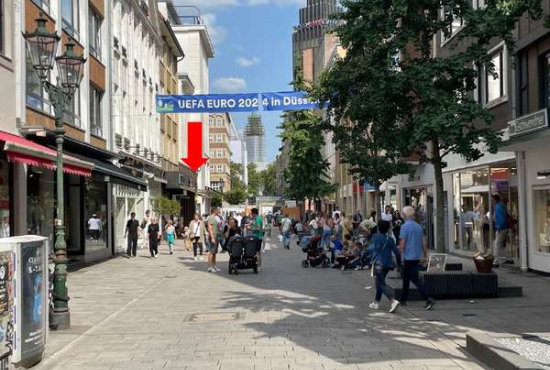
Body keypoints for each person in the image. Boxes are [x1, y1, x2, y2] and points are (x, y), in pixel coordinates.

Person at [399, 206, 436, 310]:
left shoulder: (405, 226)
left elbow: (402, 243)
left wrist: (400, 255)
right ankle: (403, 299)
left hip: (408, 257)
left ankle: (428, 299)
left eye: (402, 213)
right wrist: (425, 256)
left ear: (405, 215)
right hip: (416, 257)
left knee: (414, 279)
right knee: (406, 278)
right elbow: (424, 243)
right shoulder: (418, 227)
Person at [367, 220, 402, 313]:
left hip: (378, 263)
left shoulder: (375, 237)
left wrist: (363, 258)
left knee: (380, 283)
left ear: (378, 227)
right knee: (380, 282)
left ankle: (393, 300)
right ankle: (376, 302)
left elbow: (369, 249)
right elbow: (397, 253)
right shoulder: (390, 239)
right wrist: (399, 265)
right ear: (388, 229)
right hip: (388, 264)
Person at [492, 194, 508, 267]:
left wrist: (498, 227)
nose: (491, 201)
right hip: (504, 227)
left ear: (495, 200)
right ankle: (506, 258)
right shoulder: (502, 206)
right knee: (501, 245)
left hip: (501, 228)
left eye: (492, 200)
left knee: (497, 244)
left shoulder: (498, 207)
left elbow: (501, 218)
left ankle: (495, 261)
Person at [207, 207, 222, 273]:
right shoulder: (211, 218)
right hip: (213, 236)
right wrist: (212, 237)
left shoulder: (215, 218)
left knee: (214, 252)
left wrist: (221, 220)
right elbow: (209, 228)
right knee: (211, 252)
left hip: (216, 236)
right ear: (215, 211)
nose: (219, 212)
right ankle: (210, 267)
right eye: (218, 210)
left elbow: (217, 226)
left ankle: (214, 266)